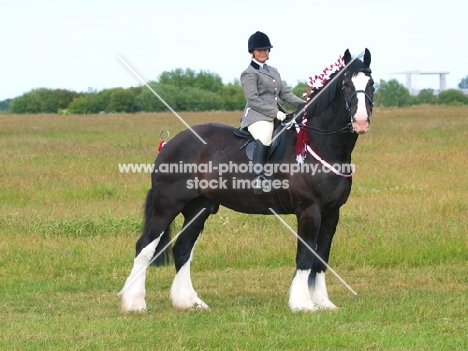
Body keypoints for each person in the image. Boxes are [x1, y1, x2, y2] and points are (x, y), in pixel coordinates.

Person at [240, 31, 304, 194]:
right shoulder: (249, 73)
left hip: (278, 113)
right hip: (257, 116)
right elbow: (253, 99)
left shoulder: (274, 71)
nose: (263, 52)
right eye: (259, 50)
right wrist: (274, 113)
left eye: (266, 50)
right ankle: (258, 177)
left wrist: (305, 104)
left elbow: (285, 93)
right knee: (265, 136)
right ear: (252, 52)